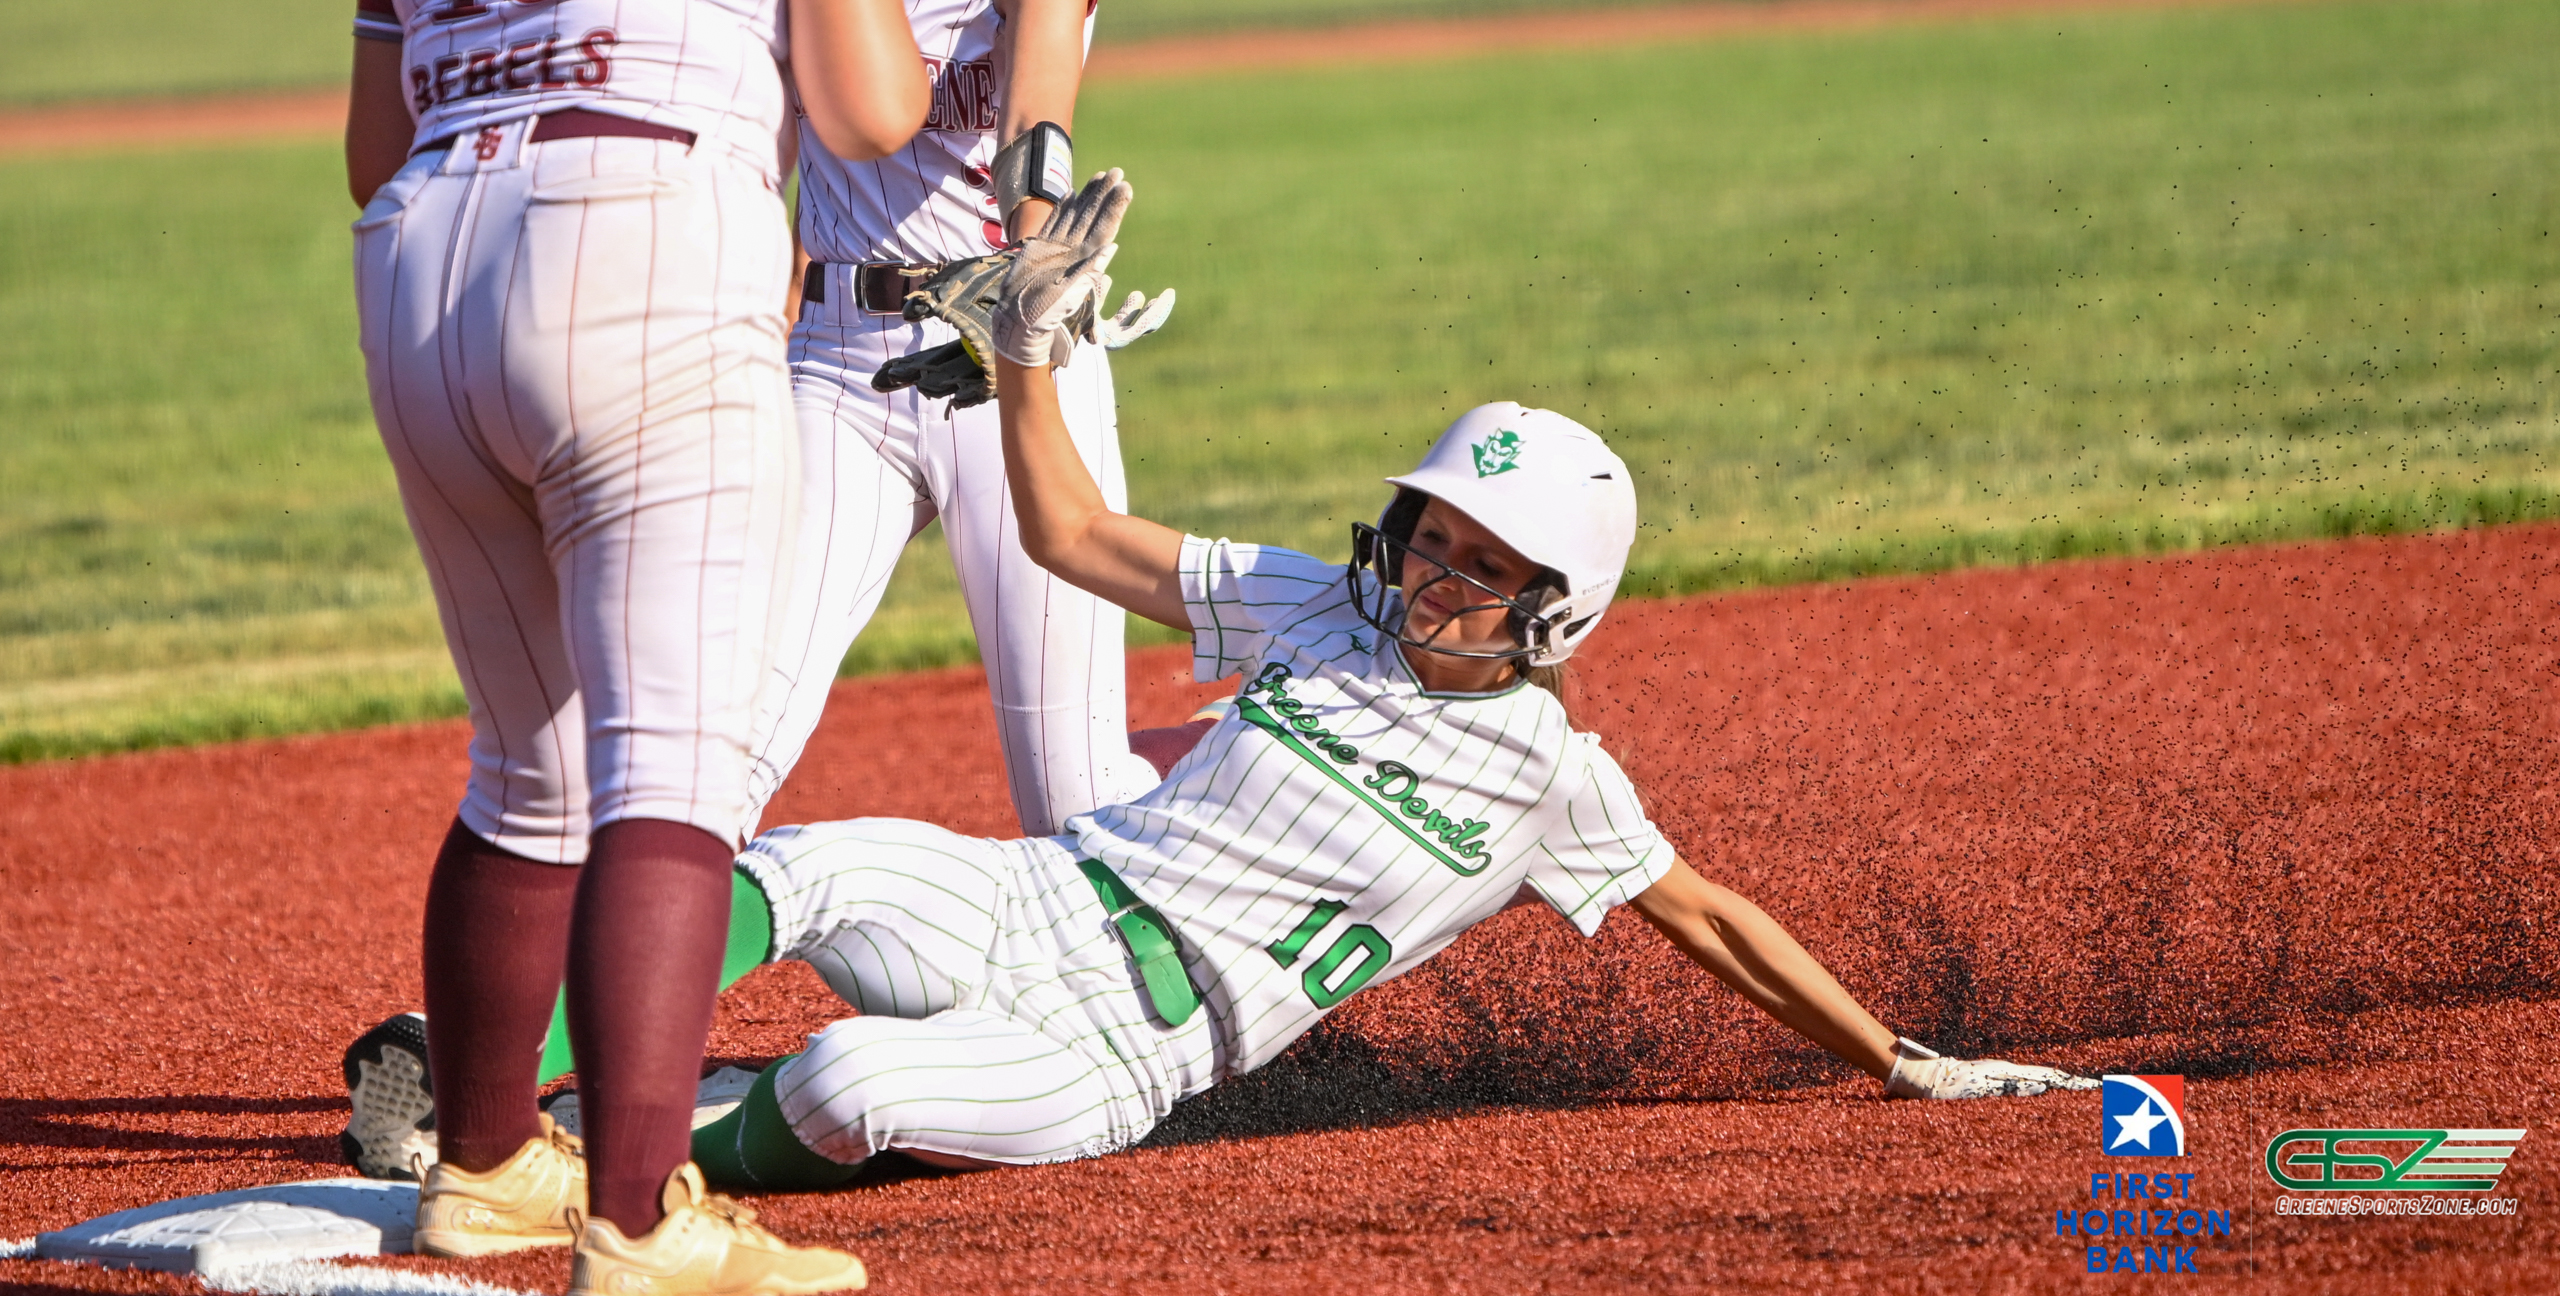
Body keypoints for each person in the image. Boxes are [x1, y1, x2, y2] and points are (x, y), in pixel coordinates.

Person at [660, 173, 2097, 1189]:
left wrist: (1900, 1063)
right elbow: (1078, 534)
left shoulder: (1549, 779)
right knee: (807, 868)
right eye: (1432, 539)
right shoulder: (1324, 605)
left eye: (1482, 564)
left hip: (1123, 1048)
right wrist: (1029, 352)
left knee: (845, 1087)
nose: (1432, 576)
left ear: (1557, 613)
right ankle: (504, 1086)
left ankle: (651, 1153)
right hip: (1038, 897)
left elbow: (1712, 922)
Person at [335, 0, 1191, 1189]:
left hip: (1011, 353)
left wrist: (1036, 247)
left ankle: (1222, 940)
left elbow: (1037, 102)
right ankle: (482, 1062)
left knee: (1079, 795)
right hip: (837, 363)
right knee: (715, 749)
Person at [342, 0, 925, 1289]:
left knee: (525, 765)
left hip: (422, 245)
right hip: (642, 210)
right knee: (671, 769)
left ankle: (487, 1168)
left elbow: (372, 143)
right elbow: (873, 111)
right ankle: (644, 1227)